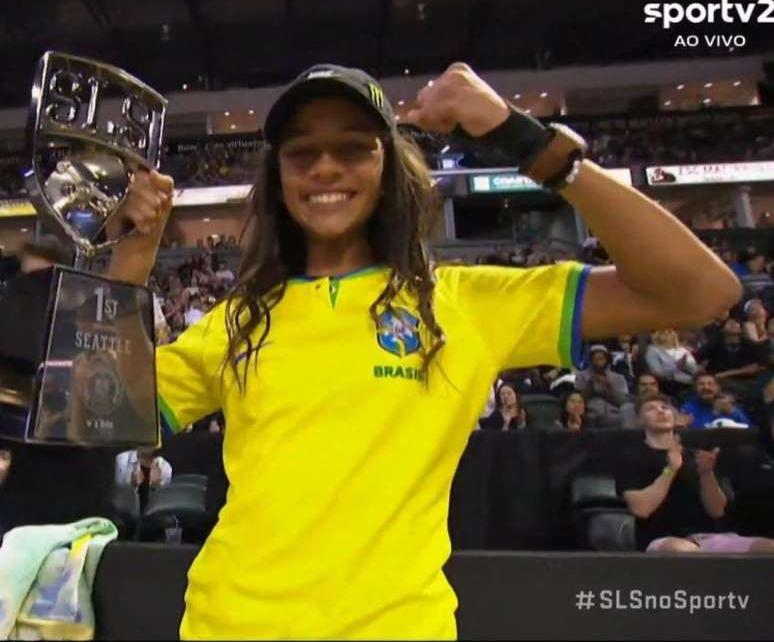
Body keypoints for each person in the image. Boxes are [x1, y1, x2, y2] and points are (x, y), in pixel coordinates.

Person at [108, 62, 740, 639]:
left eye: (353, 148)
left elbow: (702, 291)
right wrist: (134, 255)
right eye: (302, 153)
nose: (325, 167)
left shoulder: (464, 303)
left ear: (390, 169)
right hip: (227, 624)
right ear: (279, 180)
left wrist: (524, 139)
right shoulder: (239, 320)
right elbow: (102, 412)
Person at [617, 393, 774, 553]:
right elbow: (641, 509)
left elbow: (717, 510)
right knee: (688, 552)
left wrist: (707, 475)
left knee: (769, 548)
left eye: (665, 408)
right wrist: (671, 469)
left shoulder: (697, 456)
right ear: (639, 420)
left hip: (708, 537)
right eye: (651, 409)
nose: (661, 411)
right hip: (662, 539)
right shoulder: (632, 457)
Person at [574, 345, 629, 427]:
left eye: (601, 359)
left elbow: (623, 402)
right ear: (590, 360)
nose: (598, 362)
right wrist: (589, 387)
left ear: (607, 360)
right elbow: (577, 401)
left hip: (614, 415)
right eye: (594, 359)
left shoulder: (619, 377)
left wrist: (609, 387)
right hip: (591, 414)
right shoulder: (581, 376)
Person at [680, 374, 751, 429]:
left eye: (710, 384)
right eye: (701, 384)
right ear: (695, 389)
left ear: (718, 388)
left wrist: (731, 411)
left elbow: (748, 427)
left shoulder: (730, 404)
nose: (706, 387)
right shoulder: (688, 407)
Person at [115, 447, 173, 515]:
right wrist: (131, 484)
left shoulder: (165, 467)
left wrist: (157, 486)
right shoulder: (121, 460)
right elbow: (115, 497)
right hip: (124, 514)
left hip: (150, 517)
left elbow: (165, 506)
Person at [644, 329, 699, 399]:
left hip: (689, 383)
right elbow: (658, 372)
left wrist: (688, 365)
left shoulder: (682, 349)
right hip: (670, 386)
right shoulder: (653, 351)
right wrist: (677, 366)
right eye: (663, 333)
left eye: (669, 332)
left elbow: (694, 368)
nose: (667, 334)